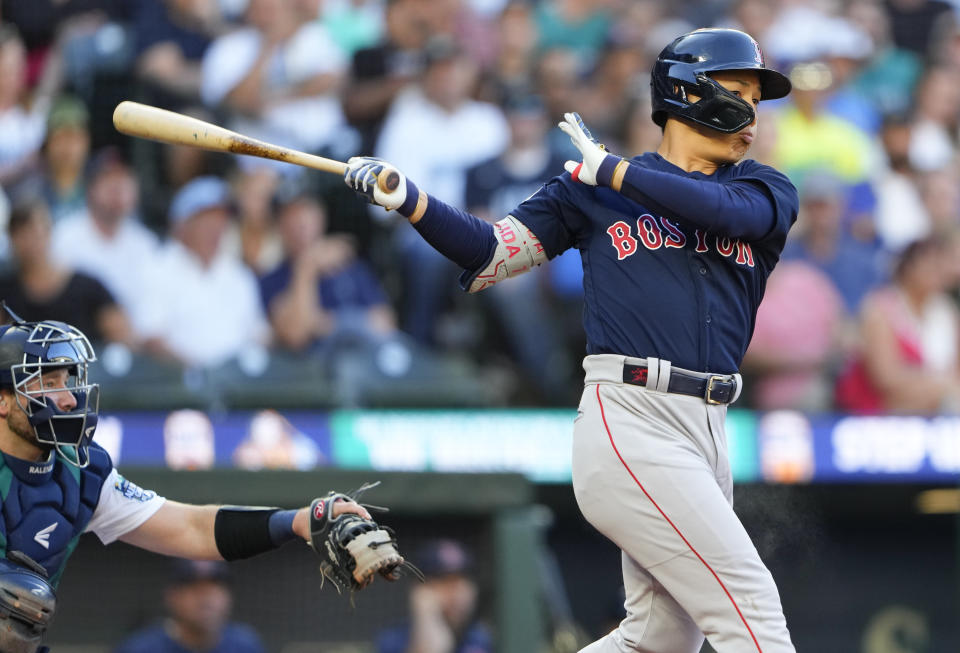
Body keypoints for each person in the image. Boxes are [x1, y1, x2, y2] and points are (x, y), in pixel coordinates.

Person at [345, 27, 798, 652]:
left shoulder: (763, 189)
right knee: (751, 607)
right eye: (739, 89)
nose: (752, 109)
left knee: (660, 640)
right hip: (631, 414)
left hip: (710, 425)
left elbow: (725, 215)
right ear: (689, 93)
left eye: (756, 94)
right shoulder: (591, 191)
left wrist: (612, 171)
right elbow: (491, 254)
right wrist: (412, 200)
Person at [0, 311, 376, 653]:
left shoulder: (81, 471)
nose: (67, 399)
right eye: (47, 384)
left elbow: (190, 528)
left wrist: (294, 522)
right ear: (3, 401)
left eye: (67, 381)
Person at [835, 236, 960, 414]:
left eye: (940, 264)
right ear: (908, 267)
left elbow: (956, 373)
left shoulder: (947, 312)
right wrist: (940, 387)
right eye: (930, 264)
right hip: (882, 412)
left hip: (934, 408)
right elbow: (886, 378)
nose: (936, 271)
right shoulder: (881, 308)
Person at [0, 198, 134, 347]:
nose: (30, 242)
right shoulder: (5, 292)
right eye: (22, 234)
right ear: (12, 239)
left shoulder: (87, 287)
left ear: (49, 232)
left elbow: (124, 338)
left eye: (36, 232)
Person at [113, 558, 265, 653]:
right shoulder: (140, 648)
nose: (206, 600)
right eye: (196, 590)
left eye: (214, 589)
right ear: (172, 596)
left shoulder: (245, 646)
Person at [376, 539, 491, 653]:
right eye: (447, 583)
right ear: (421, 589)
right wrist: (428, 621)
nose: (459, 593)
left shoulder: (479, 637)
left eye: (463, 580)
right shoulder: (394, 639)